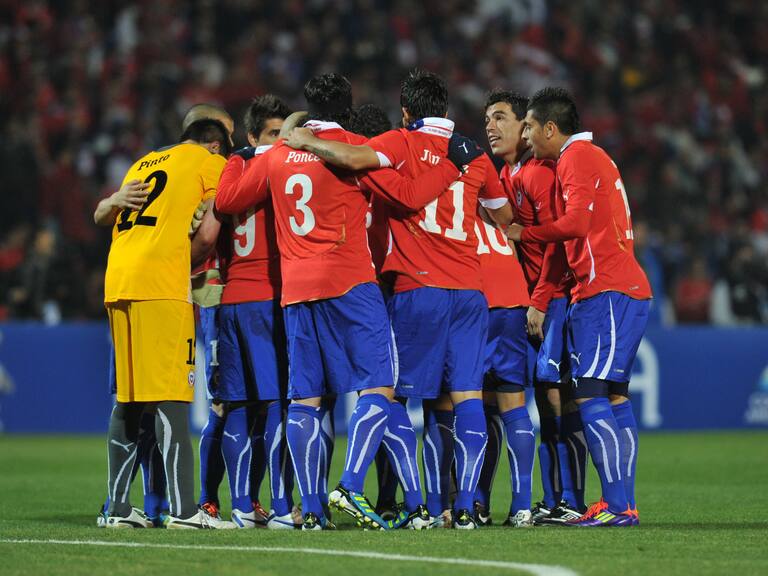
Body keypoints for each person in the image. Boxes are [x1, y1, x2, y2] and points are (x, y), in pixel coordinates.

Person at [217, 73, 480, 530]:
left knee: (305, 398)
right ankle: (353, 485)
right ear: (347, 107)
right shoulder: (355, 149)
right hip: (350, 283)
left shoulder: (277, 154)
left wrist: (243, 156)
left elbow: (228, 200)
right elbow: (410, 197)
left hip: (296, 290)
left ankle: (312, 510)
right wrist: (452, 166)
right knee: (380, 386)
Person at [284, 70, 514, 529]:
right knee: (468, 398)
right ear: (445, 109)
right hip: (470, 291)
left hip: (415, 288)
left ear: (406, 112)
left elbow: (356, 161)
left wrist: (303, 138)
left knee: (393, 396)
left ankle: (415, 503)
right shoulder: (473, 154)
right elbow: (504, 216)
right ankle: (465, 508)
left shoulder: (399, 143)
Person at [508, 87, 651, 526]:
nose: (525, 136)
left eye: (530, 127)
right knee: (614, 396)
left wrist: (525, 233)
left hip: (604, 290)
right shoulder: (593, 156)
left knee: (588, 394)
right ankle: (621, 503)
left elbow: (576, 224)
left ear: (551, 128)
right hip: (621, 288)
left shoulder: (576, 157)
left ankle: (617, 505)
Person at [97, 105, 235, 529]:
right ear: (215, 144)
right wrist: (184, 262)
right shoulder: (209, 162)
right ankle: (186, 511)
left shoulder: (144, 162)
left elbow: (106, 214)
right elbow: (211, 229)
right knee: (172, 398)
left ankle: (118, 509)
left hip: (119, 279)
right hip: (160, 284)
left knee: (129, 400)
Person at [192, 95, 302, 529]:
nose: (280, 140)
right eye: (273, 133)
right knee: (269, 404)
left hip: (232, 301)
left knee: (236, 405)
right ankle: (278, 505)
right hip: (265, 299)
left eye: (284, 133)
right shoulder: (284, 168)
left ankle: (240, 504)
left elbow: (211, 225)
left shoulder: (231, 168)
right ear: (254, 136)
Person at [486, 89, 587, 524]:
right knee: (543, 399)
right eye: (487, 119)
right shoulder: (505, 175)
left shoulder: (539, 173)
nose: (491, 127)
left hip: (554, 297)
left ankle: (571, 500)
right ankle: (552, 498)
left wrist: (542, 301)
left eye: (502, 118)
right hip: (526, 301)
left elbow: (557, 242)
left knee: (557, 395)